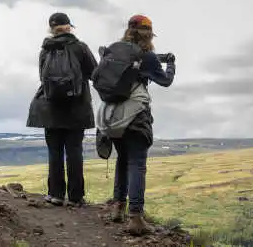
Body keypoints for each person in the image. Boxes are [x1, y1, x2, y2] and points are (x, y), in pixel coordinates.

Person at [94, 14, 175, 235]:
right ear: (148, 33)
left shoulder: (113, 50)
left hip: (111, 115)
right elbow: (165, 81)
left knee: (123, 159)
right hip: (135, 115)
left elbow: (99, 74)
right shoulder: (147, 56)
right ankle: (136, 218)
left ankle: (118, 208)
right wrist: (171, 65)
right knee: (137, 163)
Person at [26, 12, 97, 207]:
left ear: (51, 29)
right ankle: (75, 197)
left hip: (51, 108)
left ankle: (56, 194)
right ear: (69, 27)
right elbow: (94, 73)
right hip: (77, 107)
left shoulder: (45, 50)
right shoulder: (80, 48)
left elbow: (43, 77)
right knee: (74, 151)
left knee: (55, 151)